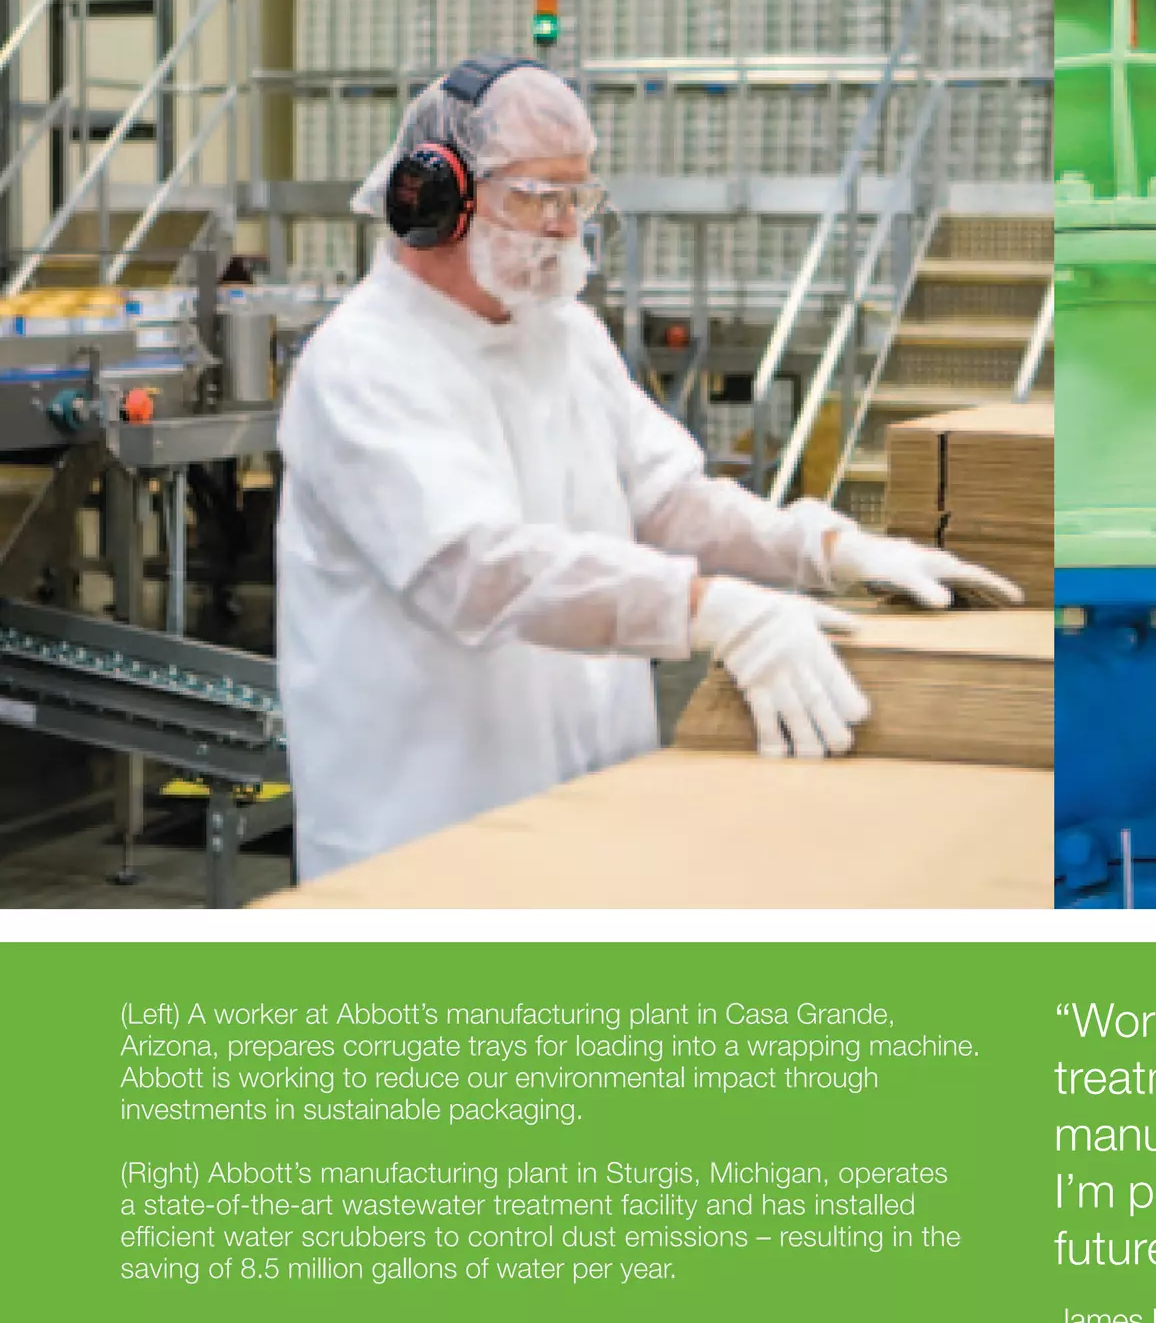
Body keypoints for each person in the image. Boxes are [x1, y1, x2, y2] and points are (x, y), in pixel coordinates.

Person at [276, 56, 1017, 878]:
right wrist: (708, 609)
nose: (564, 226)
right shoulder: (365, 362)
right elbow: (473, 569)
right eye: (536, 197)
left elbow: (668, 501)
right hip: (418, 835)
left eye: (577, 197)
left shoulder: (561, 336)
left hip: (587, 813)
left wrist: (825, 550)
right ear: (437, 199)